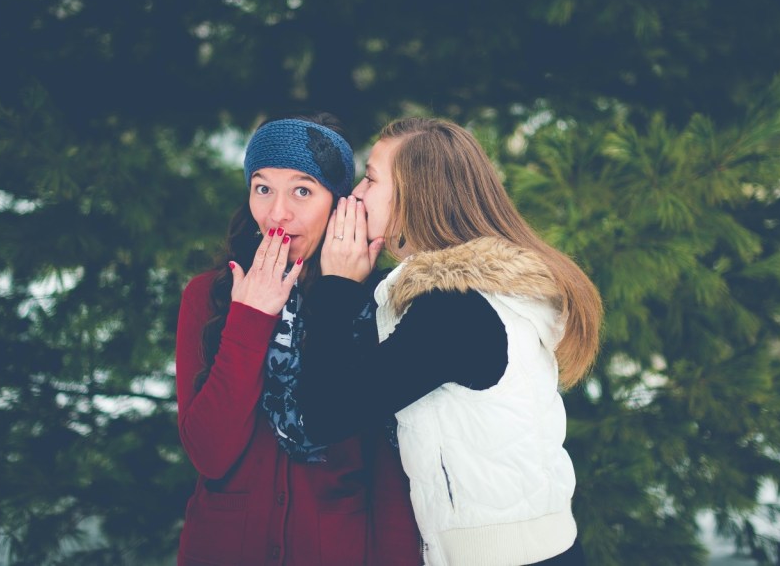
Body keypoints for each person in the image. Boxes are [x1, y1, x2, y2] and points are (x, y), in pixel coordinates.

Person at [296, 117, 603, 566]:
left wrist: (337, 286)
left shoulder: (454, 312)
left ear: (415, 196)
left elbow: (324, 415)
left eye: (371, 178)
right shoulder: (487, 293)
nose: (357, 194)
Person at [174, 115, 420, 566]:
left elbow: (389, 474)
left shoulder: (376, 302)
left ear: (339, 204)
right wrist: (249, 319)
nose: (277, 213)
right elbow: (209, 454)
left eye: (302, 190)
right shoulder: (208, 296)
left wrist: (338, 296)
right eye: (263, 188)